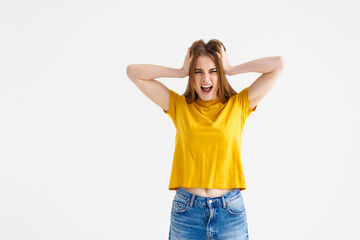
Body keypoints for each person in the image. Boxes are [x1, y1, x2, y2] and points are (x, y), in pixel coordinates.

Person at [126, 39, 284, 240]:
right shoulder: (179, 106)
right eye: (198, 71)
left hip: (230, 213)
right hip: (187, 213)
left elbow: (278, 64)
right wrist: (181, 70)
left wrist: (231, 68)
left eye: (213, 71)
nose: (205, 78)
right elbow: (133, 71)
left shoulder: (239, 105)